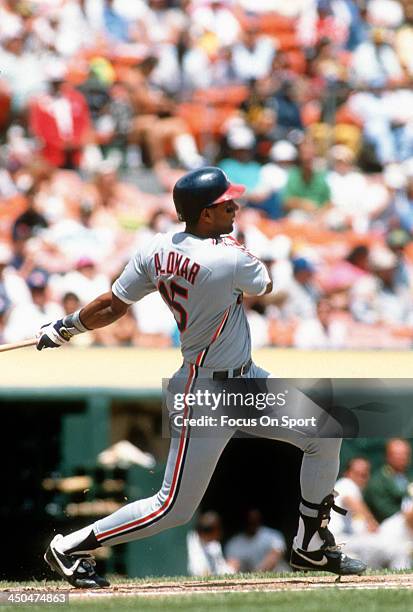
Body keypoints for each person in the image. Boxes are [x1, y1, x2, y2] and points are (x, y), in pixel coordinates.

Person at [37, 166, 366, 588]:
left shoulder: (156, 248)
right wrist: (231, 244)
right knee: (173, 507)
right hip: (207, 390)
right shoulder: (225, 256)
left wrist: (64, 326)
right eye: (224, 203)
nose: (235, 206)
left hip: (243, 379)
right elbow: (265, 285)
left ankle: (310, 544)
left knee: (324, 432)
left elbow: (111, 305)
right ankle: (70, 546)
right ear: (204, 214)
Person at [364, 438, 413, 523]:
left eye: (405, 454)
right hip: (387, 528)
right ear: (388, 456)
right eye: (398, 454)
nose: (403, 458)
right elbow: (384, 512)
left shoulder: (408, 477)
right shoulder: (377, 481)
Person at [226, 509, 287, 573]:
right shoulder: (233, 543)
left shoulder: (273, 535)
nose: (251, 523)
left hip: (278, 575)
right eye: (249, 521)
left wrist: (257, 573)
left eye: (254, 521)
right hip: (249, 579)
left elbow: (275, 555)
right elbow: (231, 565)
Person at [187, 511, 232, 576]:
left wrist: (231, 567)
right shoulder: (192, 541)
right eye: (217, 530)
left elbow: (222, 568)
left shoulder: (214, 545)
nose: (220, 533)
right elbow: (199, 572)